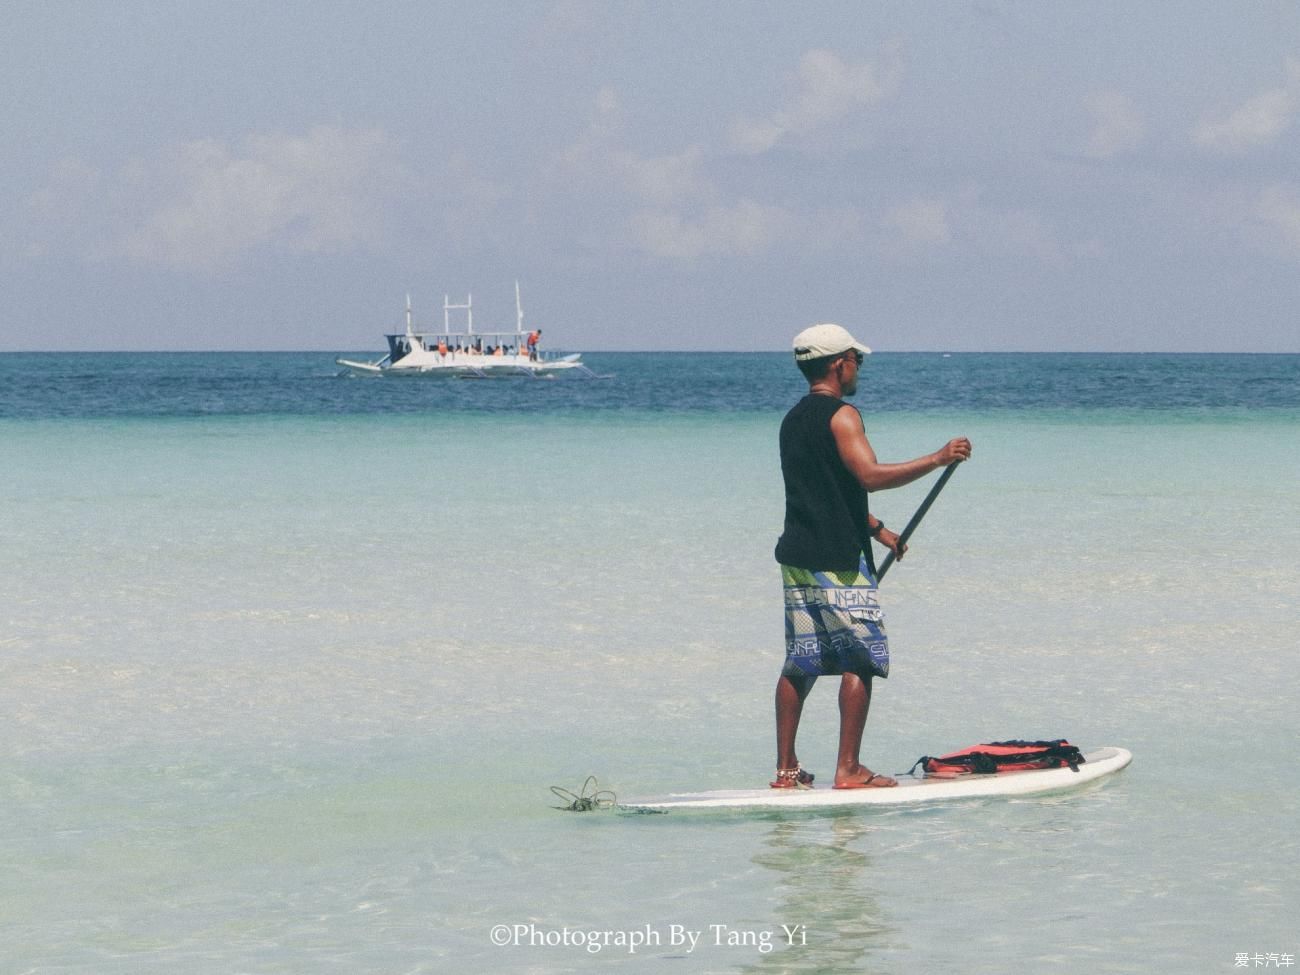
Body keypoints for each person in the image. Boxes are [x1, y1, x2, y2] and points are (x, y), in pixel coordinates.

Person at [772, 323, 971, 790]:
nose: (859, 367)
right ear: (838, 363)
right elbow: (868, 476)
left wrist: (880, 532)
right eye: (856, 359)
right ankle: (848, 770)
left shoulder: (792, 420)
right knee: (859, 659)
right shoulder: (843, 416)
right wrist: (938, 458)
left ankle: (785, 771)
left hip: (798, 556)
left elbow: (825, 492)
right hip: (838, 560)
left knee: (801, 662)